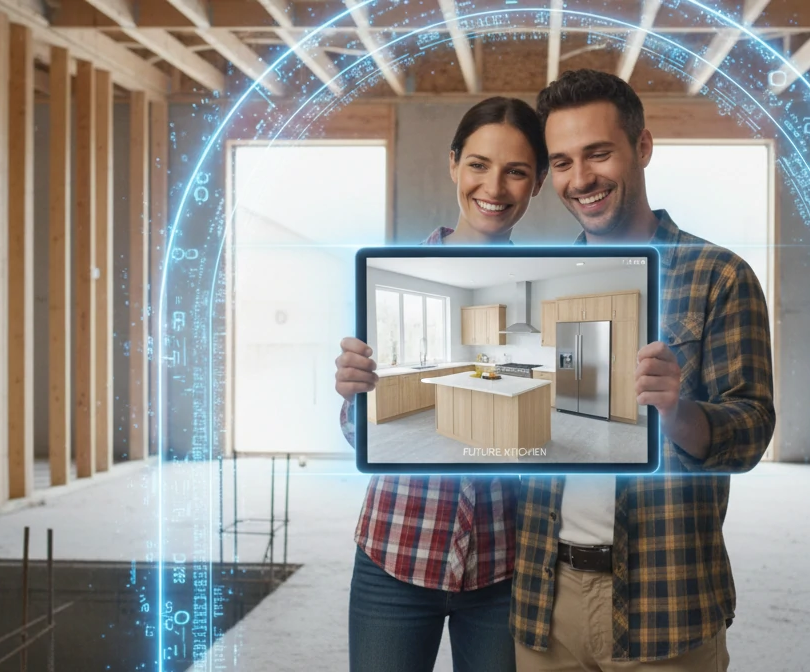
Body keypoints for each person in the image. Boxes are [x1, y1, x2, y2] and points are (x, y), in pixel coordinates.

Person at [509, 69, 776, 671]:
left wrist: (679, 414)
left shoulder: (719, 276)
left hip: (667, 603)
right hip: (545, 606)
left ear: (643, 147)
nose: (582, 180)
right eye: (563, 162)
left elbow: (754, 429)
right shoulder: (534, 285)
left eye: (599, 154)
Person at [332, 96, 549, 672]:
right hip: (395, 556)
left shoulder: (538, 284)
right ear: (454, 163)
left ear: (539, 183)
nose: (494, 187)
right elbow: (362, 435)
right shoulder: (383, 276)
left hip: (506, 567)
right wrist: (354, 396)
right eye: (478, 164)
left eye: (516, 171)